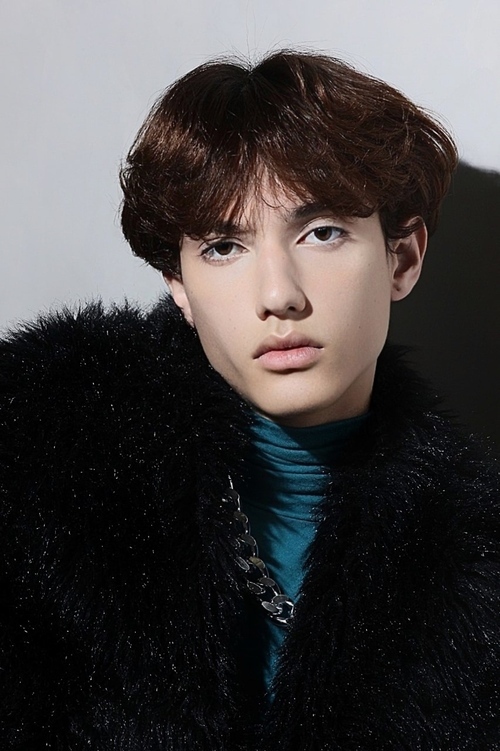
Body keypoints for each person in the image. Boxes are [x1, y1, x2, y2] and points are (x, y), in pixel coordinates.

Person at [0, 49, 498, 750]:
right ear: (179, 285)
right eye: (223, 247)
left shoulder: (474, 560)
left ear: (402, 258)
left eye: (321, 233)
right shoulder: (34, 464)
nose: (278, 295)